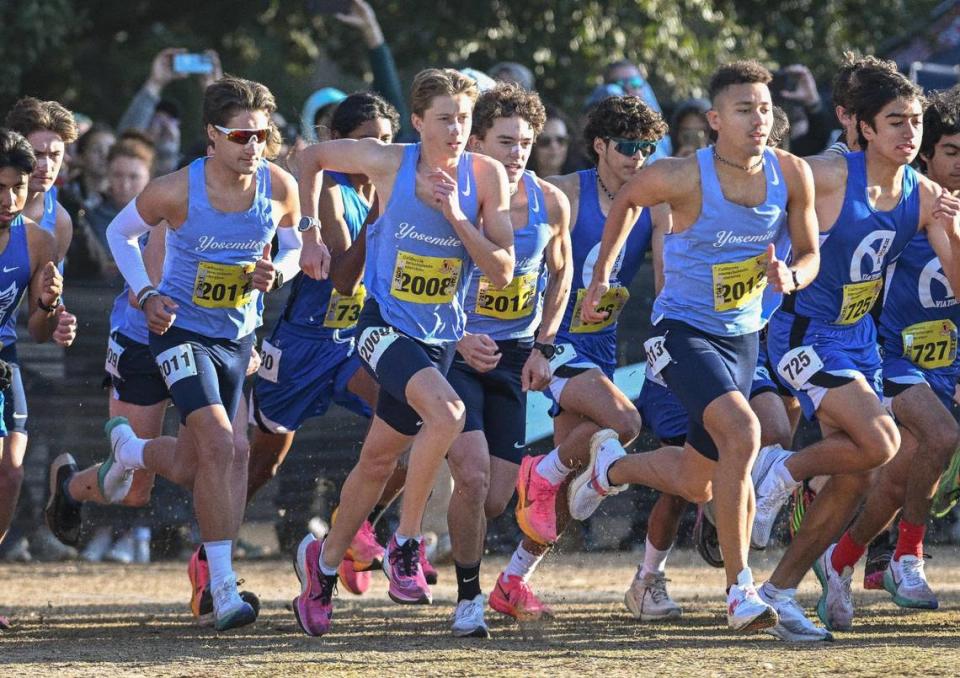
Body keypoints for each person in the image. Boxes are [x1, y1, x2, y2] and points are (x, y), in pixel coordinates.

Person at [575, 60, 819, 634]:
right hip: (679, 332)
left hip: (742, 338)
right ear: (715, 119)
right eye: (744, 109)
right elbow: (627, 199)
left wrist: (793, 275)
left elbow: (809, 252)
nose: (758, 119)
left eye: (764, 108)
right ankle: (740, 590)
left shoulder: (792, 174)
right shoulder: (684, 176)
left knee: (697, 481)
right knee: (745, 431)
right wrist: (602, 277)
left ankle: (611, 469)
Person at [291, 67, 514, 637]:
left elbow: (503, 270)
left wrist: (456, 216)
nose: (457, 129)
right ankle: (405, 544)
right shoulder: (389, 161)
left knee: (375, 462)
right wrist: (310, 234)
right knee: (449, 414)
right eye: (445, 118)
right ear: (418, 121)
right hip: (382, 325)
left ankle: (321, 568)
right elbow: (308, 157)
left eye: (464, 118)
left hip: (438, 339)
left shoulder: (487, 177)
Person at [751, 64, 960, 638]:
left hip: (858, 343)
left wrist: (955, 224)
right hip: (803, 333)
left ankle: (781, 592)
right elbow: (767, 185)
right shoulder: (828, 174)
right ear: (862, 127)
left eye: (915, 121)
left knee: (862, 477)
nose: (909, 133)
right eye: (895, 121)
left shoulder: (924, 195)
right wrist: (777, 267)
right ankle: (780, 468)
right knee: (883, 441)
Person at [98, 76, 303, 631]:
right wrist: (146, 294)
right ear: (212, 135)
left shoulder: (280, 186)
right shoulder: (176, 190)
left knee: (201, 461)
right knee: (222, 443)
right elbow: (120, 234)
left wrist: (277, 271)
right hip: (180, 331)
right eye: (240, 135)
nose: (253, 146)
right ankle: (223, 590)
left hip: (237, 338)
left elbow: (294, 244)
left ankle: (131, 452)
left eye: (261, 134)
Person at [491, 95, 664, 621]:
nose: (638, 157)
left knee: (570, 481)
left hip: (600, 345)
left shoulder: (655, 204)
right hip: (552, 341)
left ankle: (513, 579)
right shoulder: (564, 192)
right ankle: (538, 471)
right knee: (624, 421)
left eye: (648, 148)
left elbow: (670, 272)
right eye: (628, 147)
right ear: (600, 146)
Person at [244, 92, 413, 590]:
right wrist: (380, 217)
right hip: (301, 347)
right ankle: (209, 556)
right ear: (338, 143)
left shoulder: (386, 187)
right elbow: (341, 278)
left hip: (352, 343)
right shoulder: (330, 191)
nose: (376, 150)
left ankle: (352, 529)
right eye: (365, 140)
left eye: (385, 140)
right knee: (262, 462)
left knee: (411, 429)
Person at [806, 86, 960, 623]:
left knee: (895, 482)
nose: (959, 164)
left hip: (942, 364)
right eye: (951, 152)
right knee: (941, 436)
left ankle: (840, 556)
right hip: (888, 354)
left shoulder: (943, 210)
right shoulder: (909, 202)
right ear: (926, 156)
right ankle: (906, 556)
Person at [444, 82, 572, 637]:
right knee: (471, 478)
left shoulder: (551, 201)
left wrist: (543, 344)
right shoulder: (452, 195)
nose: (517, 153)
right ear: (476, 142)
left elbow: (562, 273)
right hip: (454, 349)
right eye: (505, 142)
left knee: (495, 499)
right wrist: (457, 336)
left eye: (525, 142)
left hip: (515, 352)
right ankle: (468, 599)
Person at [2, 99, 79, 562]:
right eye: (39, 154)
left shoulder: (55, 226)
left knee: (13, 465)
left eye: (57, 154)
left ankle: (34, 528)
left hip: (16, 350)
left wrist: (54, 312)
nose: (47, 165)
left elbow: (39, 317)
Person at [529, 105, 572, 178]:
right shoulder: (515, 185)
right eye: (545, 141)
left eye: (560, 140)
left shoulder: (585, 183)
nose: (554, 146)